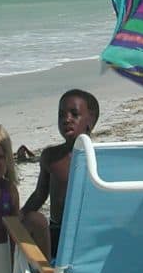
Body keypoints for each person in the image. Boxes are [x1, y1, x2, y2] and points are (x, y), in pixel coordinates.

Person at [20, 89, 100, 257]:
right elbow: (40, 194)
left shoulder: (98, 157)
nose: (66, 119)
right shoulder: (51, 156)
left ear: (90, 120)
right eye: (61, 115)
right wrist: (21, 214)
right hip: (58, 231)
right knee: (34, 220)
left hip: (89, 232)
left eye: (74, 114)